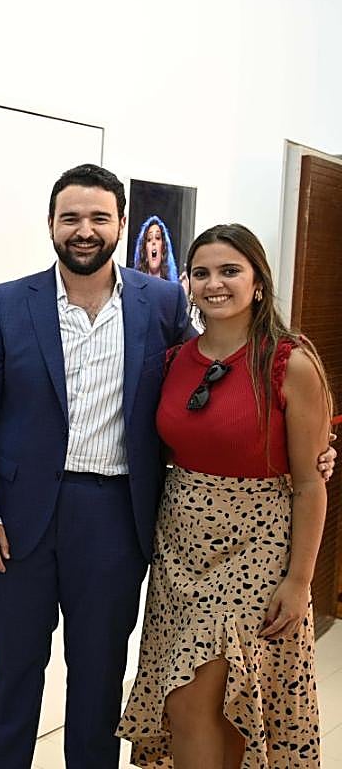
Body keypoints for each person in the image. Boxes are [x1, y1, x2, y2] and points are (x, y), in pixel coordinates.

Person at [0, 164, 335, 768]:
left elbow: (211, 380)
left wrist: (308, 450)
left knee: (99, 677)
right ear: (50, 224)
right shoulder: (7, 303)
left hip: (115, 516)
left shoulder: (159, 302)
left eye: (98, 217)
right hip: (17, 521)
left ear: (121, 224)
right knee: (15, 672)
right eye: (70, 217)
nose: (84, 230)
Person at [118, 224, 332, 768]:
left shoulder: (290, 362)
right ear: (188, 284)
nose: (214, 283)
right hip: (179, 548)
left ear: (258, 282)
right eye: (202, 273)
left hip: (256, 548)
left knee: (200, 697)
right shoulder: (174, 360)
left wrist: (300, 580)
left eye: (230, 271)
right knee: (208, 705)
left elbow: (311, 482)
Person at [131, 214, 180, 283]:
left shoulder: (172, 287)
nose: (153, 242)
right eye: (149, 239)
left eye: (157, 238)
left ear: (163, 249)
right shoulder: (135, 285)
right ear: (145, 252)